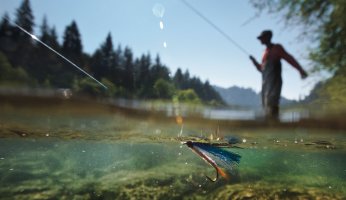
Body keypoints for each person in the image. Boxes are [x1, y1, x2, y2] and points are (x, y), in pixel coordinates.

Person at [249, 30, 308, 120]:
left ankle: (274, 123)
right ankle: (270, 127)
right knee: (266, 106)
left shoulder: (277, 48)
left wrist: (300, 70)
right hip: (265, 85)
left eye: (262, 38)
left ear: (268, 37)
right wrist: (254, 61)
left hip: (274, 82)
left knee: (272, 104)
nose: (260, 40)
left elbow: (289, 58)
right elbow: (262, 69)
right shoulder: (265, 53)